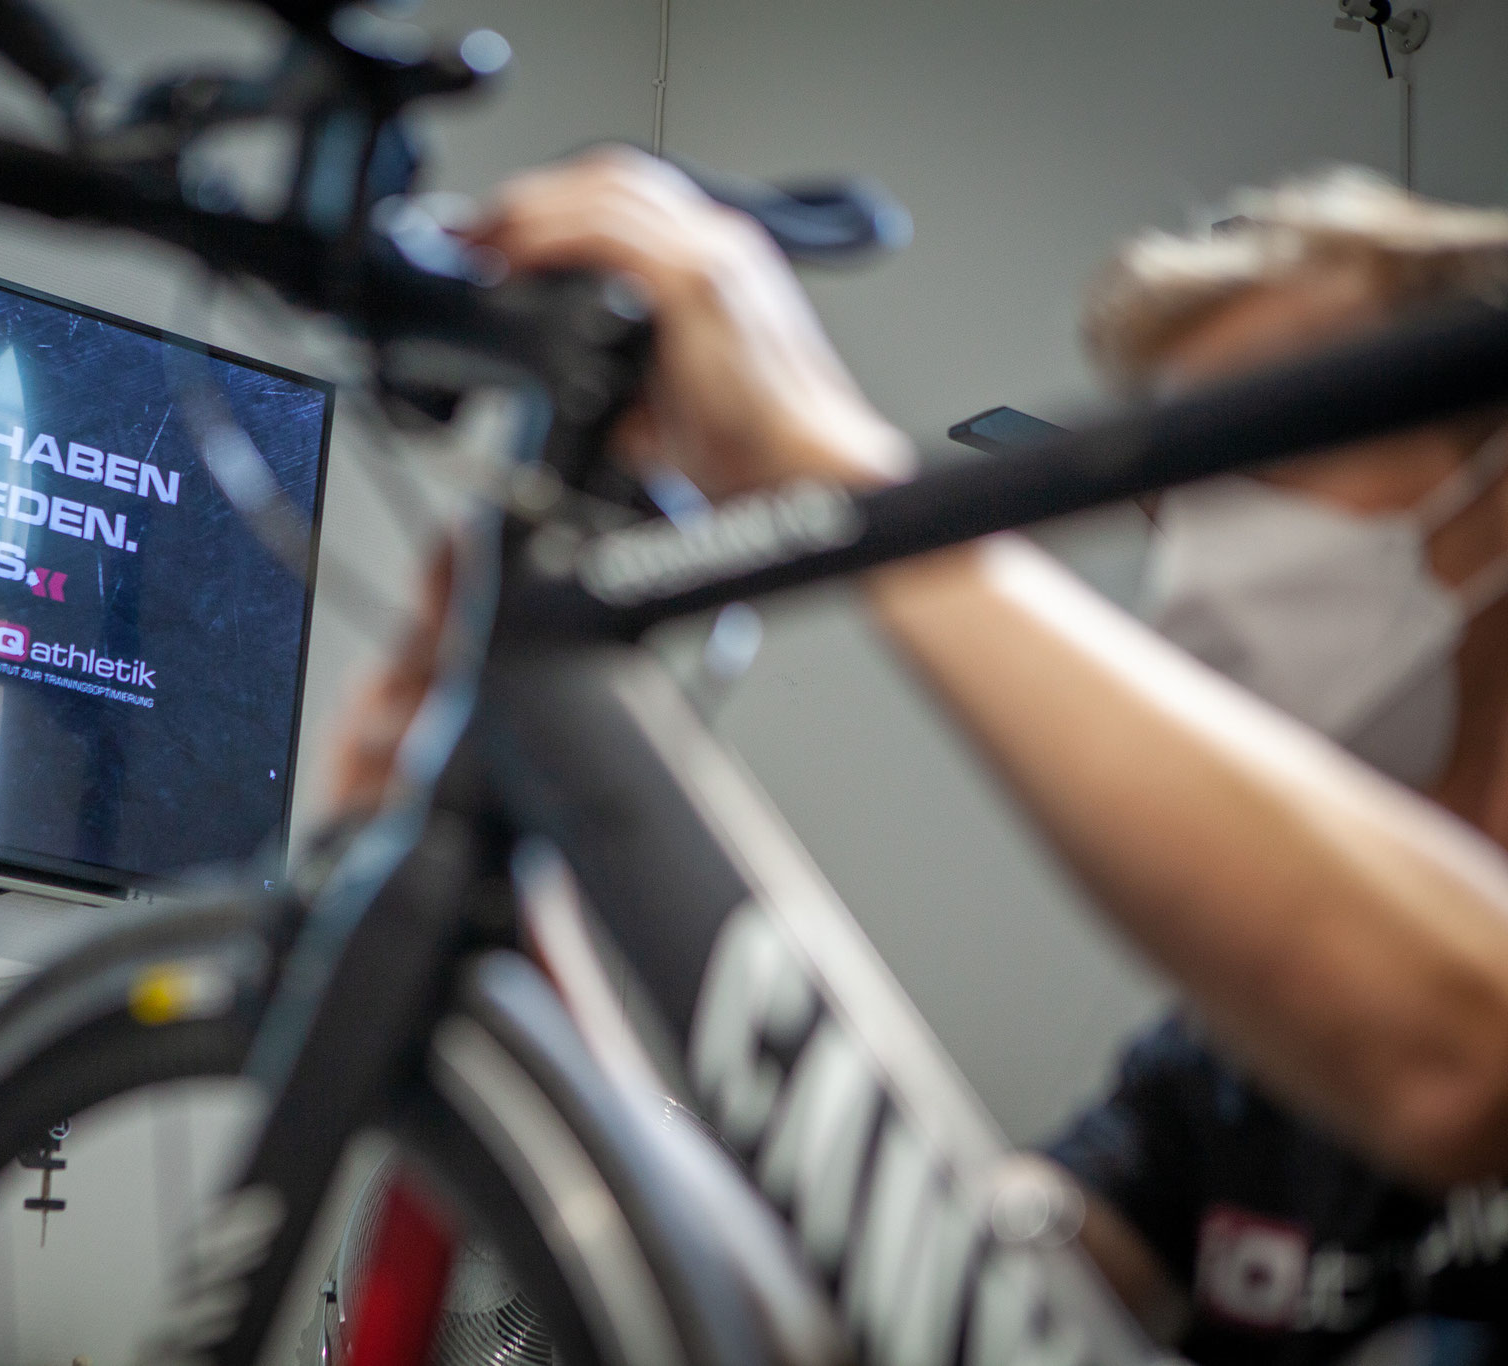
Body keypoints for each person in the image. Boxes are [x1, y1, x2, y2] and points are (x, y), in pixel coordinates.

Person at [327, 154, 1508, 1365]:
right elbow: (907, 1327)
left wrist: (834, 471)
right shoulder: (1236, 1066)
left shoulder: (1427, 1022)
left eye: (1271, 454)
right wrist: (548, 980)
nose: (1201, 555)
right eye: (1180, 496)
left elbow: (1461, 1057)